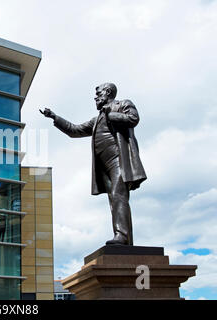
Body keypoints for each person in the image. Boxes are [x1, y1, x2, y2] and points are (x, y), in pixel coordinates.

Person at [40, 83, 146, 245]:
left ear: (108, 92)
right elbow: (74, 130)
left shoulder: (122, 105)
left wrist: (111, 115)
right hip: (104, 166)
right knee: (114, 199)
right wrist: (55, 117)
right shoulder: (96, 120)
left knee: (118, 196)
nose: (95, 97)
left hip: (120, 159)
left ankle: (122, 235)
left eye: (98, 93)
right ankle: (124, 239)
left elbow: (133, 118)